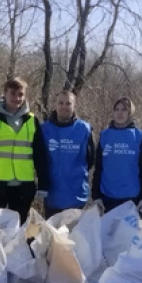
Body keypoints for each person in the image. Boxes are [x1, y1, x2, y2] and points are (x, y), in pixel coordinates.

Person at [0, 77, 49, 223]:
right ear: (5, 93)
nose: (17, 98)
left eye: (21, 94)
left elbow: (40, 155)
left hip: (23, 186)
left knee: (18, 228)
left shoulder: (32, 121)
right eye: (13, 93)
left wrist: (43, 183)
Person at [91, 97, 142, 215]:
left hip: (132, 199)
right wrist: (95, 196)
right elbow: (98, 168)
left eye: (124, 110)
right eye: (117, 109)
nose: (120, 113)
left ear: (130, 113)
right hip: (107, 198)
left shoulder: (139, 137)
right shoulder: (104, 136)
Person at [40, 90, 95, 218]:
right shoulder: (44, 129)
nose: (64, 107)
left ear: (74, 106)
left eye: (68, 103)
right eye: (60, 103)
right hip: (52, 195)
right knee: (53, 236)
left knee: (74, 236)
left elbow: (91, 159)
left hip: (77, 194)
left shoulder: (84, 129)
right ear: (55, 105)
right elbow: (40, 160)